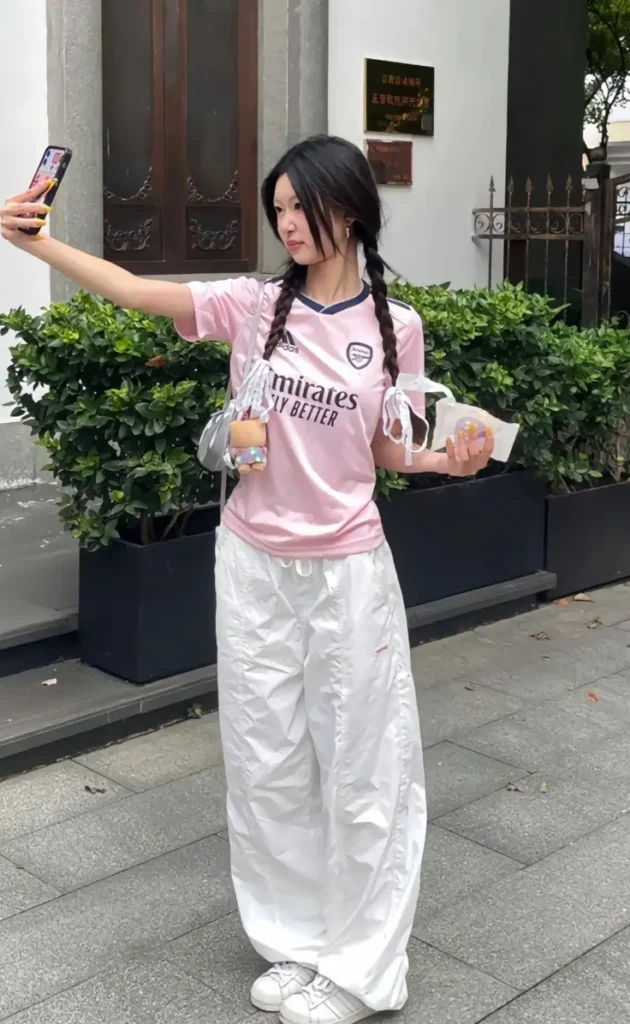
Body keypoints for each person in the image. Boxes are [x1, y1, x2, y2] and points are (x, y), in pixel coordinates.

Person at [1, 135, 493, 1024]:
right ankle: (296, 944)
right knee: (266, 760)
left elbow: (389, 450)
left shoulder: (395, 324)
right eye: (280, 211)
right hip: (253, 562)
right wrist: (34, 243)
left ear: (350, 207)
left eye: (303, 208)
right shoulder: (255, 305)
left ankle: (363, 968)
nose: (289, 224)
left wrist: (449, 466)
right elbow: (139, 291)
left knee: (363, 767)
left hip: (346, 569)